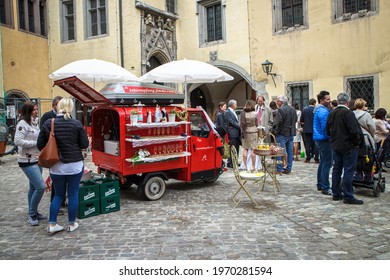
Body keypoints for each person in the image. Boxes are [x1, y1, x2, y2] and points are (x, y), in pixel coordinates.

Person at [37, 98, 89, 233]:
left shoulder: (49, 123)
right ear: (71, 108)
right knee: (73, 194)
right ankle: (72, 224)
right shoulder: (76, 124)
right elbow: (84, 145)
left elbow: (40, 144)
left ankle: (52, 224)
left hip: (56, 166)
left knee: (58, 195)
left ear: (58, 107)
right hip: (74, 165)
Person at [326, 92, 363, 205]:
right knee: (348, 170)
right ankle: (348, 195)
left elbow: (328, 130)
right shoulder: (348, 113)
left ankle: (336, 193)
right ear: (347, 102)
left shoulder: (332, 113)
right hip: (348, 146)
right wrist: (357, 143)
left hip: (336, 145)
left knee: (337, 169)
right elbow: (354, 131)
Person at [14, 101, 47, 226]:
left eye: (36, 109)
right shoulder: (22, 124)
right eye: (34, 110)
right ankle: (31, 214)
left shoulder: (34, 122)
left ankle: (33, 211)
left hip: (36, 159)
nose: (36, 111)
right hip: (27, 161)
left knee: (33, 187)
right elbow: (17, 141)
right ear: (28, 111)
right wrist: (35, 144)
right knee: (41, 187)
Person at [40, 96, 66, 214]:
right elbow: (42, 136)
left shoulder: (66, 116)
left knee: (64, 179)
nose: (60, 106)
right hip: (53, 152)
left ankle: (62, 201)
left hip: (65, 153)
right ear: (53, 105)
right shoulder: (47, 116)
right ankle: (56, 203)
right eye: (58, 104)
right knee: (56, 180)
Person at [313, 91, 333, 195]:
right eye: (327, 99)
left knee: (323, 162)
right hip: (324, 139)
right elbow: (326, 127)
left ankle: (320, 184)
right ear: (321, 100)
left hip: (320, 138)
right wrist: (331, 137)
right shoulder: (322, 111)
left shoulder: (320, 110)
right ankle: (325, 186)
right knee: (327, 163)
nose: (329, 101)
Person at [272, 95, 297, 174]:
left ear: (281, 102)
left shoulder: (281, 110)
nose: (277, 102)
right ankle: (288, 168)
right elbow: (295, 119)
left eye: (278, 101)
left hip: (282, 133)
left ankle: (279, 168)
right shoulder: (292, 109)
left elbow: (278, 122)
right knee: (289, 151)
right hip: (291, 132)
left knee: (279, 150)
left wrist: (275, 131)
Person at [240, 100, 258, 171]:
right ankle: (253, 166)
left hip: (246, 132)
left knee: (245, 149)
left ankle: (245, 166)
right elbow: (257, 124)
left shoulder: (244, 113)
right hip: (254, 131)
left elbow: (241, 124)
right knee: (254, 149)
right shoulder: (255, 113)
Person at [300, 98, 319, 163]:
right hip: (315, 129)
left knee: (307, 144)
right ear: (314, 103)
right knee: (316, 144)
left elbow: (301, 120)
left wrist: (304, 126)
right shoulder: (316, 110)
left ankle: (308, 158)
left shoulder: (305, 110)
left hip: (307, 130)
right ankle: (316, 158)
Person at [224, 99, 241, 168]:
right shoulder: (227, 112)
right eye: (236, 104)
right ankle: (230, 162)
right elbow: (231, 122)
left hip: (236, 133)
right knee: (232, 148)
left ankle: (235, 162)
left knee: (236, 148)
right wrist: (240, 126)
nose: (236, 105)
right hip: (232, 132)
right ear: (233, 105)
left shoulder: (233, 112)